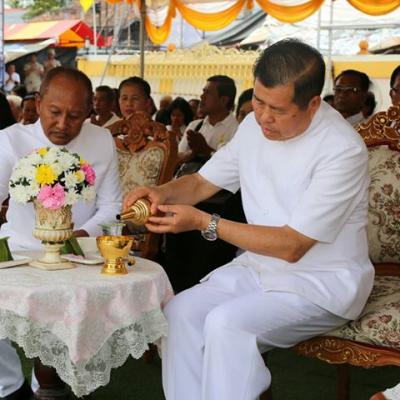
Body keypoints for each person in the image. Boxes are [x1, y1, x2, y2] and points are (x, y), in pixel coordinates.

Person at [123, 39, 374, 400]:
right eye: (258, 101)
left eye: (277, 109)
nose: (263, 117)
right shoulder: (255, 126)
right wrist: (160, 192)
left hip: (321, 282)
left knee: (226, 325)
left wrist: (204, 223)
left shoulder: (342, 149)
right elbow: (202, 182)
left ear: (313, 104)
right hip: (257, 268)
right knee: (179, 313)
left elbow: (292, 246)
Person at [0, 67, 122, 399]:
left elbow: (112, 205)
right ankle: (10, 385)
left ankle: (48, 385)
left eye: (75, 116)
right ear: (38, 103)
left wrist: (78, 236)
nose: (63, 124)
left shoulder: (101, 140)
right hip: (20, 251)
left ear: (90, 111)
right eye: (54, 112)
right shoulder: (11, 140)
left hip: (78, 254)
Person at [178, 75, 238, 160]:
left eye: (208, 93)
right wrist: (191, 153)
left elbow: (232, 164)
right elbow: (178, 156)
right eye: (203, 91)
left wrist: (206, 150)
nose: (202, 96)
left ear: (223, 100)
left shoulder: (237, 131)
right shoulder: (195, 126)